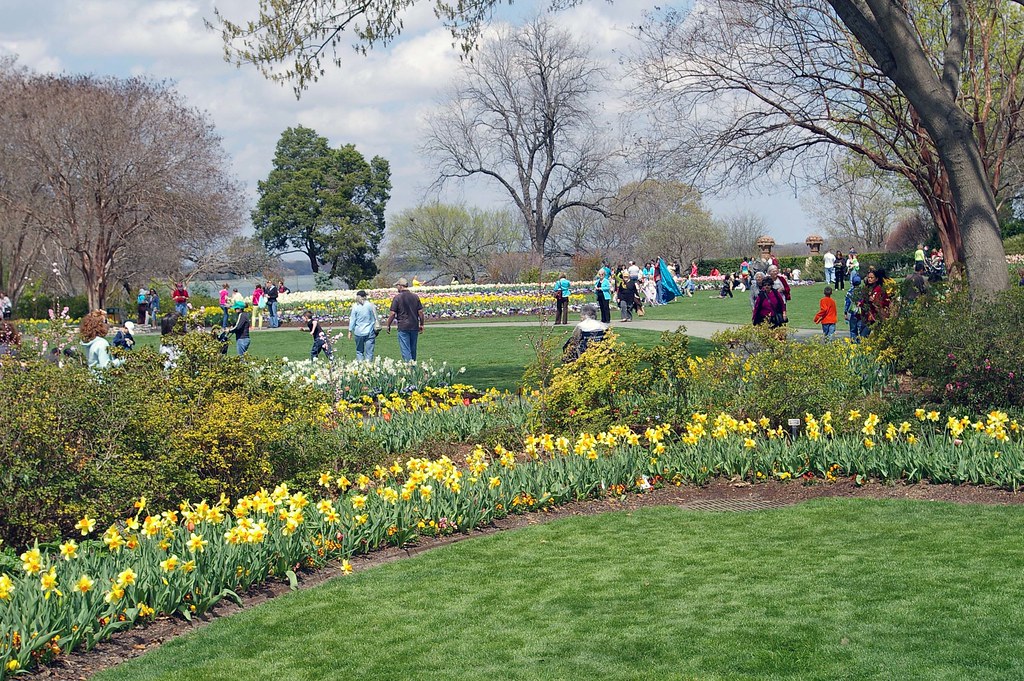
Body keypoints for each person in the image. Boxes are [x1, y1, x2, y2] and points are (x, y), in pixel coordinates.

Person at [386, 277, 425, 361]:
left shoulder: (397, 298)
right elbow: (420, 312)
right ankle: (413, 368)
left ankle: (409, 368)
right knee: (413, 349)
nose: (397, 288)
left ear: (400, 286)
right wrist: (421, 324)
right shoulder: (415, 297)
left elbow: (392, 313)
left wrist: (388, 325)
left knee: (405, 350)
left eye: (397, 286)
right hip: (414, 325)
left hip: (403, 326)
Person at [347, 290, 378, 361]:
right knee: (369, 352)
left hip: (358, 332)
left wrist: (350, 331)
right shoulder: (370, 305)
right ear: (365, 296)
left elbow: (353, 319)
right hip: (369, 331)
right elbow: (374, 318)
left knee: (359, 351)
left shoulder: (355, 306)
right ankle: (368, 367)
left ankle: (360, 366)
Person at [860, 269, 891, 335]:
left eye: (872, 278)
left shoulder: (879, 289)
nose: (869, 279)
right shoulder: (866, 288)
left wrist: (875, 301)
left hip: (876, 315)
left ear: (876, 279)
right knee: (862, 335)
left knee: (866, 334)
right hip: (866, 316)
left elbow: (885, 302)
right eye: (868, 277)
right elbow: (863, 301)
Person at [844, 274, 866, 342]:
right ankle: (860, 342)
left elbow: (847, 302)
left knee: (853, 329)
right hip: (861, 312)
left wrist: (845, 312)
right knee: (860, 328)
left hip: (852, 313)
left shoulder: (850, 292)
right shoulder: (863, 291)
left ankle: (853, 342)